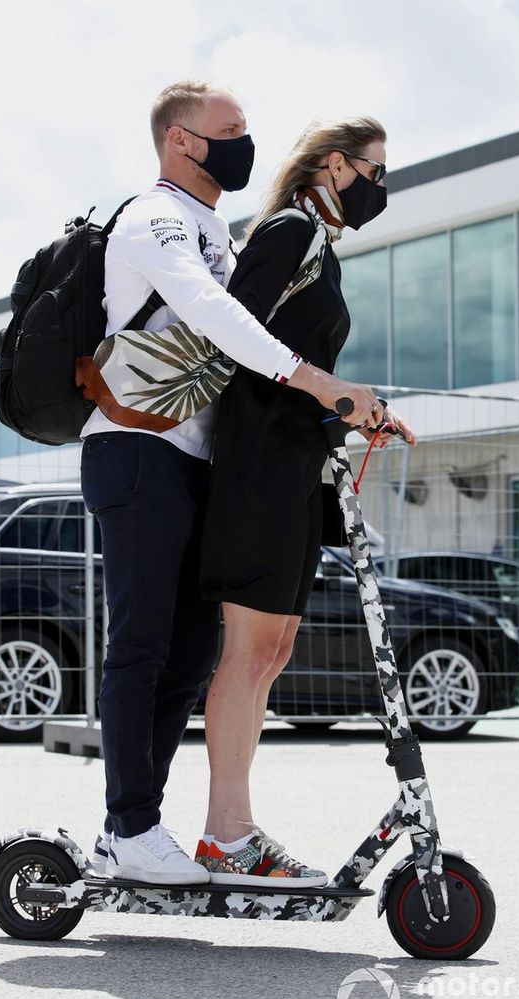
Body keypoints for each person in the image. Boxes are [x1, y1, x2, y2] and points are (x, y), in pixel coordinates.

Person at [80, 81, 385, 885]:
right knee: (142, 645)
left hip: (195, 458)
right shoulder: (154, 217)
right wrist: (315, 381)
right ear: (182, 140)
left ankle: (153, 828)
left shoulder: (216, 226)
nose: (246, 142)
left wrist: (334, 409)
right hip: (136, 448)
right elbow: (211, 311)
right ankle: (129, 828)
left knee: (188, 654)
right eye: (230, 130)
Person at [195, 117, 417, 887]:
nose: (380, 188)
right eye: (374, 171)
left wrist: (357, 412)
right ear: (333, 164)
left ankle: (235, 832)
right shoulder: (289, 230)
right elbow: (234, 331)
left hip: (298, 464)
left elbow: (300, 363)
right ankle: (226, 834)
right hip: (258, 466)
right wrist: (328, 394)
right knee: (250, 650)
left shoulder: (319, 245)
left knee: (274, 651)